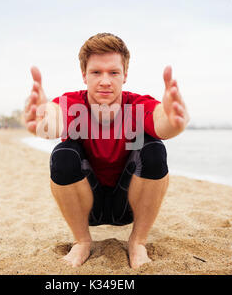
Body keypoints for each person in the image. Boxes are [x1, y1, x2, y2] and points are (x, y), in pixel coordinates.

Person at [24, 33, 190, 269]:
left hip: (129, 205)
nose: (105, 80)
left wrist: (174, 121)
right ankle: (82, 241)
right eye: (96, 72)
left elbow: (162, 122)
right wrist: (41, 118)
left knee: (154, 148)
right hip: (87, 207)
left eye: (113, 72)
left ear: (125, 76)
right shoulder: (73, 103)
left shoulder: (137, 104)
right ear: (84, 75)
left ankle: (138, 242)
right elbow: (53, 119)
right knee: (63, 153)